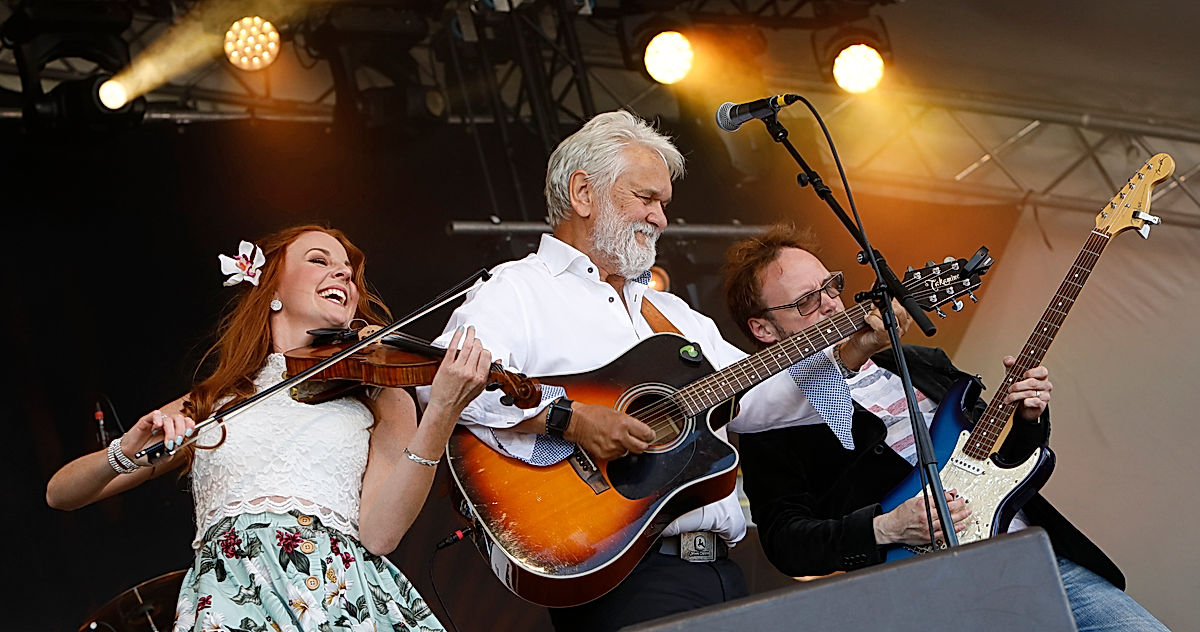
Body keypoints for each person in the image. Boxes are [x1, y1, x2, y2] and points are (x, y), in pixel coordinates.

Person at [425, 111, 815, 632]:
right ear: (583, 193)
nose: (661, 218)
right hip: (619, 568)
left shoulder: (671, 314)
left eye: (664, 205)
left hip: (721, 571)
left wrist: (853, 349)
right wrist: (568, 419)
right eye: (646, 198)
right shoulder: (519, 288)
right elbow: (442, 379)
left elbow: (760, 399)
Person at [723, 223, 1169, 631]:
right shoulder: (768, 421)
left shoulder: (918, 362)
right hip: (933, 591)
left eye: (832, 287)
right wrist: (886, 528)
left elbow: (1002, 465)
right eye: (806, 301)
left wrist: (1028, 417)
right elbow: (785, 543)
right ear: (763, 328)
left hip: (1034, 557)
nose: (832, 305)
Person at [46, 225, 493, 631]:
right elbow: (60, 493)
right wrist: (128, 447)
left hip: (334, 596)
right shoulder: (214, 400)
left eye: (349, 272)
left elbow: (381, 534)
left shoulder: (378, 391)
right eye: (320, 260)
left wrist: (441, 415)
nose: (343, 275)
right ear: (271, 285)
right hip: (228, 599)